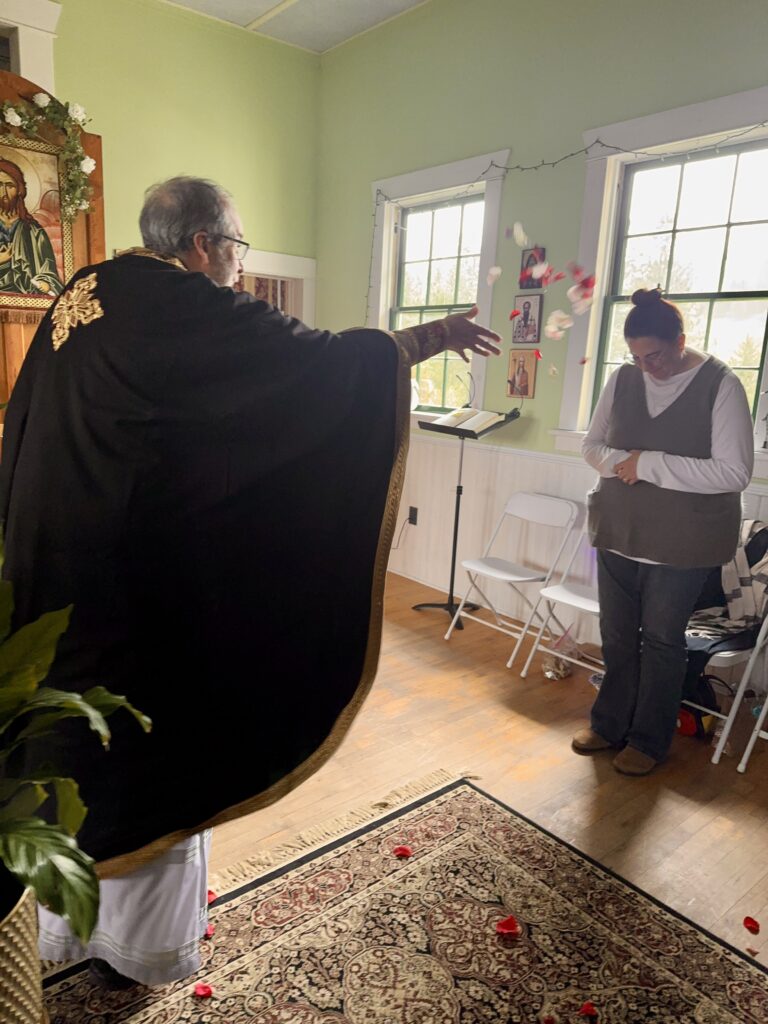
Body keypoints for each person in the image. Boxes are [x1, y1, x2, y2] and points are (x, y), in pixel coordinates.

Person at [0, 175, 500, 986]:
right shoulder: (187, 304)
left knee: (73, 751)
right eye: (236, 247)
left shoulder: (84, 290)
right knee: (149, 755)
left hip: (54, 574)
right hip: (136, 592)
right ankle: (135, 952)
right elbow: (322, 367)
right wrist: (435, 333)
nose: (240, 264)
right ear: (202, 245)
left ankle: (65, 928)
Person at [576, 288, 754, 776]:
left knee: (661, 641)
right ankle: (608, 724)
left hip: (682, 544)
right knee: (616, 636)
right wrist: (622, 462)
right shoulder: (622, 378)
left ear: (680, 340)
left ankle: (648, 741)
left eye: (653, 356)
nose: (645, 367)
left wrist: (648, 464)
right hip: (618, 530)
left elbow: (734, 472)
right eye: (636, 357)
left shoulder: (721, 385)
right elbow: (591, 446)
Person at [0, 157, 63, 296]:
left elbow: (47, 268)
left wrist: (45, 282)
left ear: (19, 190)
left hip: (27, 299)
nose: (3, 192)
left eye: (10, 186)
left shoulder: (33, 231)